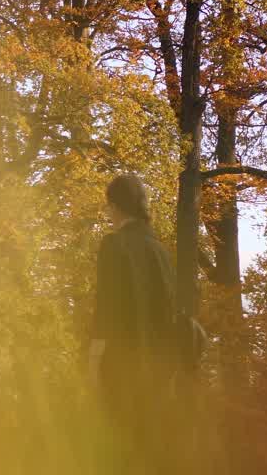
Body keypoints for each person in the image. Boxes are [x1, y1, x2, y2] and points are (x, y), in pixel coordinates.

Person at [86, 173, 179, 474]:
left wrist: (93, 361)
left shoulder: (114, 245)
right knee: (150, 451)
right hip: (159, 368)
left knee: (117, 449)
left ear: (114, 206)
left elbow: (107, 308)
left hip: (122, 365)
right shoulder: (161, 252)